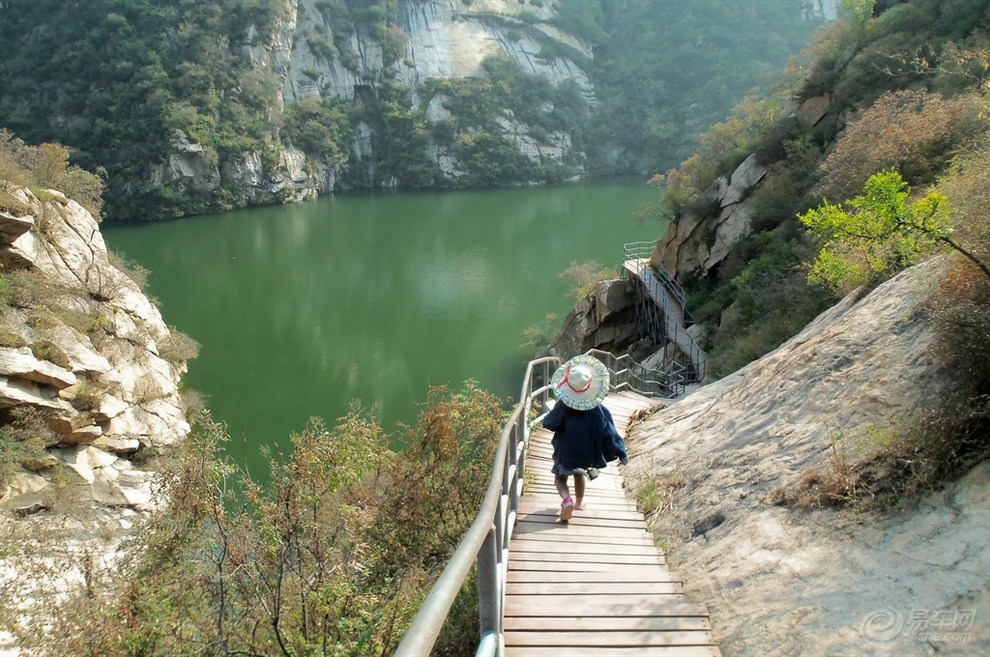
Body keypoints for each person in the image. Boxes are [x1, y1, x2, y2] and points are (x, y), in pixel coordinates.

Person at [542, 354, 627, 522]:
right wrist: (621, 452)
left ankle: (567, 500)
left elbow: (550, 423)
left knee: (560, 478)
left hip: (565, 451)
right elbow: (609, 431)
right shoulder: (599, 409)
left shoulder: (563, 405)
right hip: (586, 453)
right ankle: (579, 504)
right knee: (579, 474)